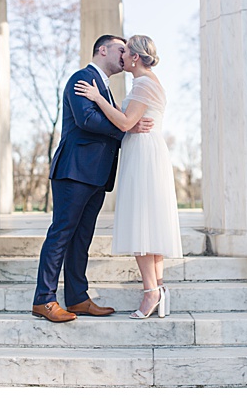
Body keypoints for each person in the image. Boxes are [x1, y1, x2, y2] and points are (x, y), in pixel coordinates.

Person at [32, 35, 152, 322]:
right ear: (103, 50)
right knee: (61, 234)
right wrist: (127, 129)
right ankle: (44, 299)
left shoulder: (105, 87)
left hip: (96, 174)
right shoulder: (82, 78)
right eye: (120, 49)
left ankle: (77, 298)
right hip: (74, 170)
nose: (125, 55)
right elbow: (86, 119)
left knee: (81, 238)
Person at [74, 35, 183, 319]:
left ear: (134, 57)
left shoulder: (144, 83)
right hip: (148, 151)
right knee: (150, 225)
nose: (121, 57)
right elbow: (130, 122)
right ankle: (158, 288)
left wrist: (97, 98)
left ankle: (151, 293)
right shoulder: (149, 82)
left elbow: (124, 122)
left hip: (144, 155)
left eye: (124, 52)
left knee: (141, 224)